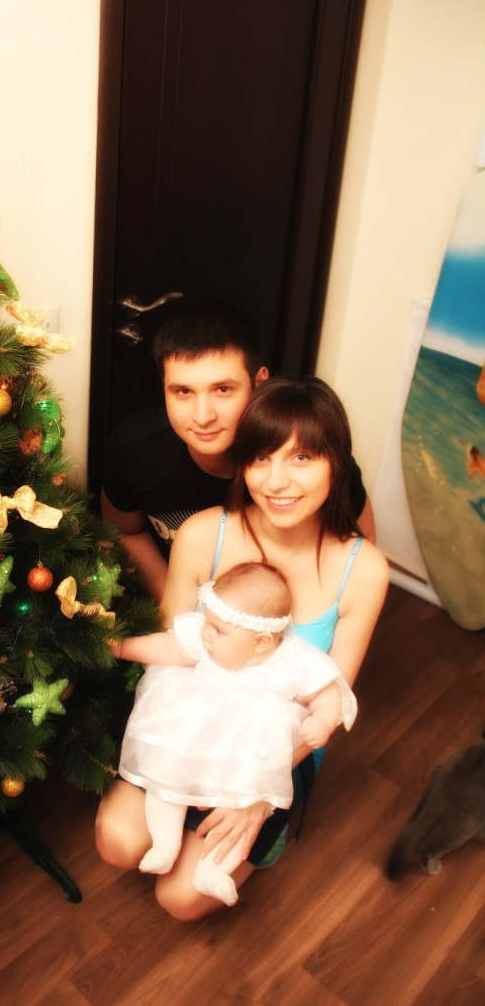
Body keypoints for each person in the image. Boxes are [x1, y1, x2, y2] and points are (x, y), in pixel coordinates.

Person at [95, 376, 389, 920]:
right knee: (118, 842)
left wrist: (260, 792)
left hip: (273, 752)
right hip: (189, 726)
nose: (276, 481)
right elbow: (176, 652)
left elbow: (328, 698)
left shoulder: (364, 569)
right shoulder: (203, 534)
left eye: (301, 457)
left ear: (336, 463)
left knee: (181, 898)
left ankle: (266, 837)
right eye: (260, 458)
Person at [111, 561, 357, 907]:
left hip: (243, 760)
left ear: (261, 642)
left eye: (218, 630)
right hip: (193, 742)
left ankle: (214, 871)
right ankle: (165, 844)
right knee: (165, 783)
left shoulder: (292, 660)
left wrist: (323, 719)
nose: (206, 634)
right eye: (207, 623)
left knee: (244, 807)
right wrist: (121, 647)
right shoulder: (206, 643)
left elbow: (327, 691)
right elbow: (167, 648)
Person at [101, 301, 376, 601]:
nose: (203, 416)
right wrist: (179, 602)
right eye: (183, 391)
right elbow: (125, 531)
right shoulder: (134, 445)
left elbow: (358, 557)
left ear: (259, 382)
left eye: (223, 390)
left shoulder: (312, 468)